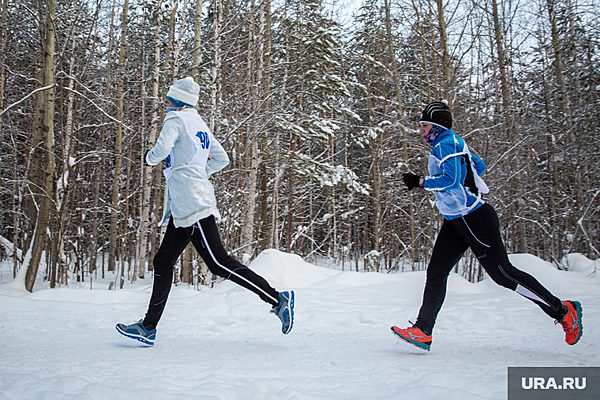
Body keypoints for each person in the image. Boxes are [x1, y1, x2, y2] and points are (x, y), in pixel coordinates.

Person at [391, 100, 582, 351]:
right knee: (436, 273)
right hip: (456, 219)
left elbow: (451, 179)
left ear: (437, 126)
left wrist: (420, 182)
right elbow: (478, 165)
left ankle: (563, 311)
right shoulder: (453, 142)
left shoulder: (446, 144)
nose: (421, 132)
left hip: (473, 217)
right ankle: (423, 331)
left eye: (424, 126)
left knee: (503, 274)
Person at [116, 77, 294, 345]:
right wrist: (198, 172)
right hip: (186, 204)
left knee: (218, 262)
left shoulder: (175, 121)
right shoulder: (198, 123)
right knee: (163, 262)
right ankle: (148, 327)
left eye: (168, 98)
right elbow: (222, 158)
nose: (165, 103)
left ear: (177, 101)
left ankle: (277, 298)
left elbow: (160, 151)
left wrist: (149, 159)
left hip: (192, 203)